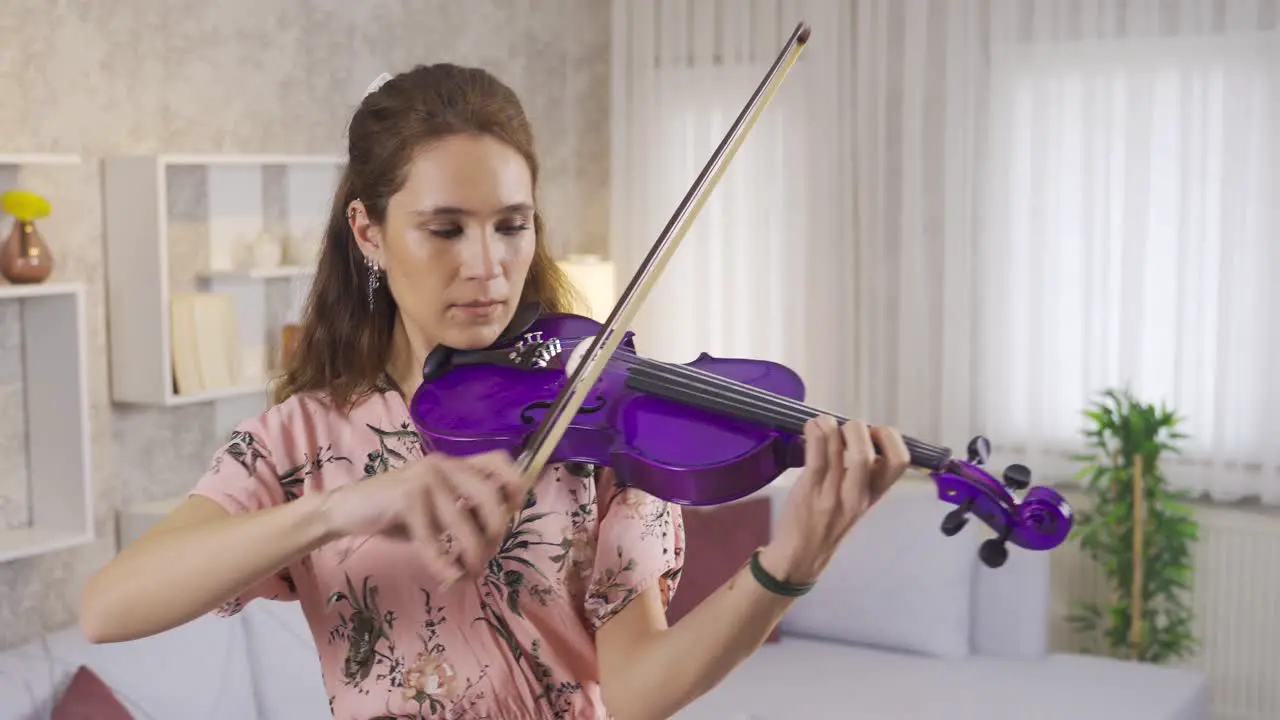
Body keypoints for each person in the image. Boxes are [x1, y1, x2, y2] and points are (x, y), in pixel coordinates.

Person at [79, 63, 911, 720]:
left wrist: (789, 564)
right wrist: (339, 509)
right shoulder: (299, 441)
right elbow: (108, 609)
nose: (487, 265)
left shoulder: (605, 429)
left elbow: (638, 693)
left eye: (512, 224)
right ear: (369, 232)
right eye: (446, 230)